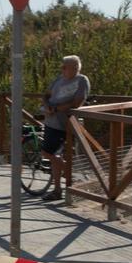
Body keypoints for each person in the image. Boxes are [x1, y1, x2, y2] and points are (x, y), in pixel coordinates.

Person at [38, 55, 90, 203]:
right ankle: (58, 189)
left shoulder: (82, 80)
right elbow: (46, 95)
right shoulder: (58, 79)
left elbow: (78, 102)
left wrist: (57, 108)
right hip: (51, 122)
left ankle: (69, 180)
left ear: (75, 68)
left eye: (65, 66)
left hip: (66, 124)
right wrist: (47, 105)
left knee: (51, 154)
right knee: (51, 155)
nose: (62, 69)